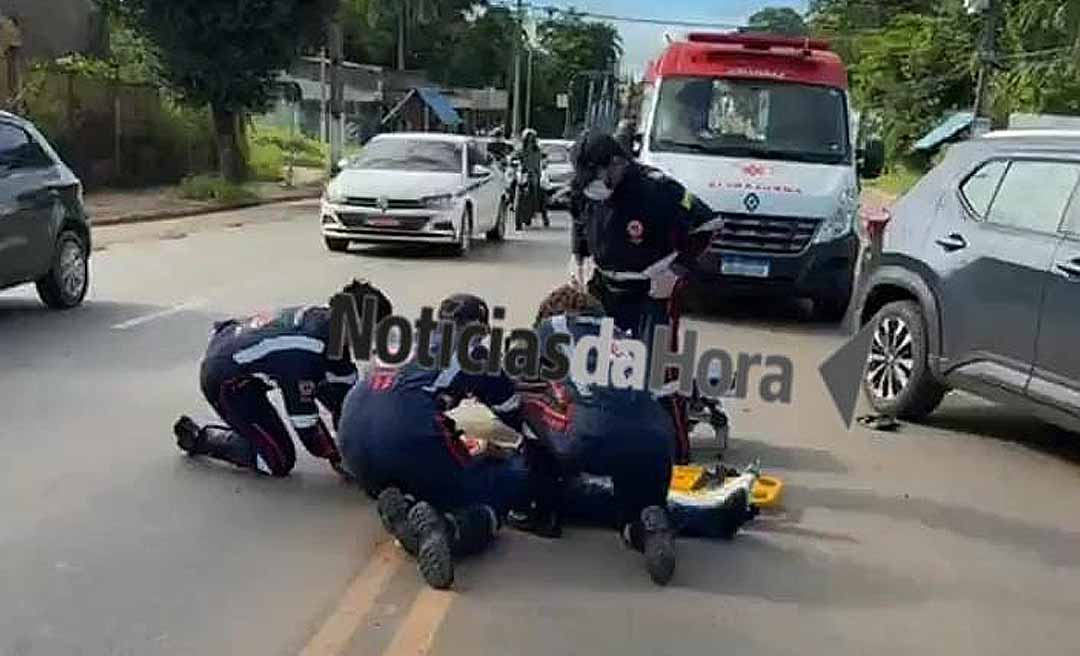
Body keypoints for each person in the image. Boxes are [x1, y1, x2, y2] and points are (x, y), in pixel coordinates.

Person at [336, 293, 526, 590]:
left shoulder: (405, 339)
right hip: (407, 437)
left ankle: (406, 503)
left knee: (429, 450)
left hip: (352, 444)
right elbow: (513, 413)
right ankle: (450, 530)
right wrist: (504, 452)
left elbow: (394, 394)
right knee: (506, 479)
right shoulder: (476, 353)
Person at [569, 131, 724, 464]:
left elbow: (709, 225)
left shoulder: (656, 189)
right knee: (599, 366)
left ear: (617, 164)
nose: (593, 185)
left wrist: (677, 271)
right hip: (604, 286)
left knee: (660, 374)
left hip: (652, 288)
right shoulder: (583, 188)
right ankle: (614, 439)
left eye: (598, 176)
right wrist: (578, 257)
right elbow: (580, 222)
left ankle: (675, 453)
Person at [512, 283, 678, 585]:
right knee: (632, 501)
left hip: (590, 438)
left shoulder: (549, 330)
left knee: (528, 402)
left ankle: (543, 513)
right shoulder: (624, 338)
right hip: (656, 441)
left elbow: (509, 387)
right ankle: (645, 524)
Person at [172, 279, 393, 478]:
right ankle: (202, 438)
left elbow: (347, 394)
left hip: (242, 349)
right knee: (278, 462)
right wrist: (338, 455)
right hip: (224, 377)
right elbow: (305, 424)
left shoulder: (329, 325)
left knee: (339, 388)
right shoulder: (304, 355)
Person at [512, 128, 548, 225]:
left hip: (534, 174)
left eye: (532, 139)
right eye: (528, 138)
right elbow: (513, 158)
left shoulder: (537, 151)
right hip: (523, 173)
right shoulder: (520, 150)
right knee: (513, 184)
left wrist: (539, 169)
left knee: (536, 188)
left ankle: (534, 207)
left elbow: (541, 161)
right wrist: (514, 163)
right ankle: (512, 202)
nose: (530, 141)